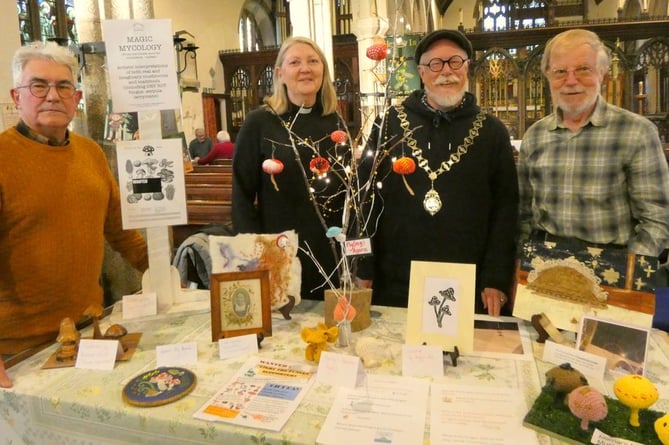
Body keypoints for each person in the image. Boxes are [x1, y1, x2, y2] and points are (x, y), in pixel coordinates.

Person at [0, 42, 148, 388]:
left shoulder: (91, 153)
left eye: (63, 86)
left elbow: (121, 231)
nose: (52, 95)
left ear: (76, 97)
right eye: (38, 85)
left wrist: (164, 274)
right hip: (19, 351)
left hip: (87, 332)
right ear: (16, 96)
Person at [357, 29, 519, 317]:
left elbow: (505, 209)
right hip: (396, 277)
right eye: (435, 64)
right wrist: (363, 265)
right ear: (421, 72)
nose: (446, 71)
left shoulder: (492, 132)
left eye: (455, 62)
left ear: (467, 66)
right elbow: (366, 201)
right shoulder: (389, 124)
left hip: (467, 279)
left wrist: (495, 277)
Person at [518, 29, 669, 265]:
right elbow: (523, 213)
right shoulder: (535, 135)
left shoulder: (636, 132)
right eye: (560, 72)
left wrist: (630, 270)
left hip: (613, 261)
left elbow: (658, 218)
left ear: (602, 73)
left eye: (582, 69)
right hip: (544, 260)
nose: (570, 81)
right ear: (548, 76)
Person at [232, 36, 346, 301]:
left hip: (328, 248)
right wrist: (252, 253)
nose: (305, 68)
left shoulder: (334, 121)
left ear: (323, 71)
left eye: (313, 61)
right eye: (295, 62)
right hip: (279, 248)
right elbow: (242, 195)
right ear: (280, 73)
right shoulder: (260, 122)